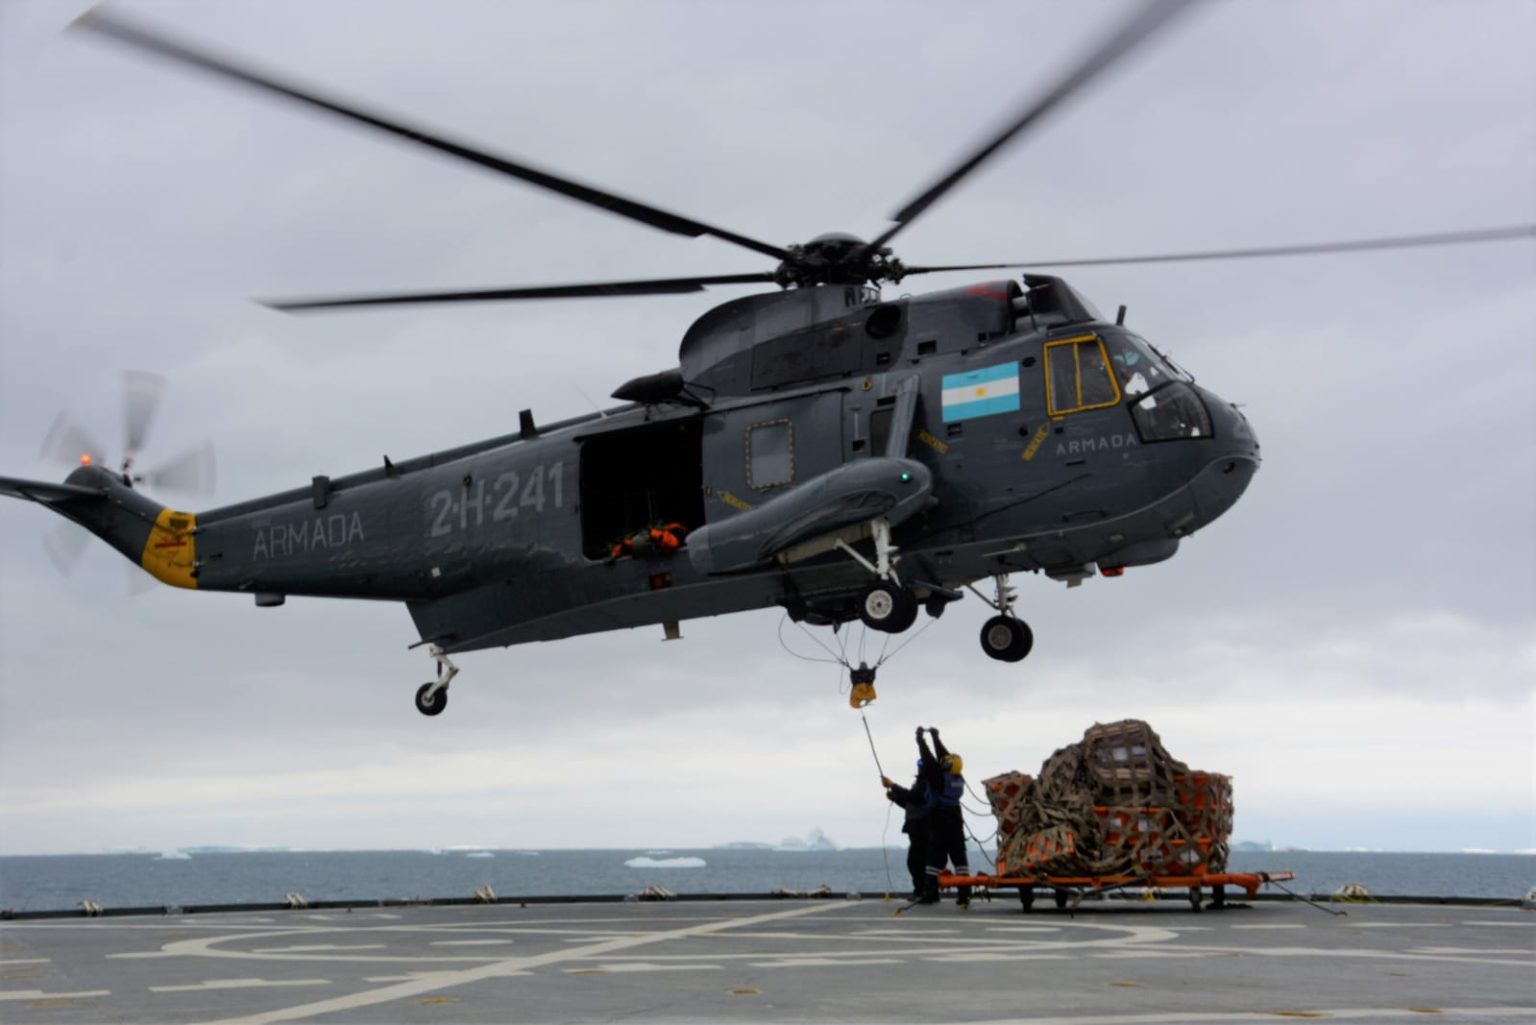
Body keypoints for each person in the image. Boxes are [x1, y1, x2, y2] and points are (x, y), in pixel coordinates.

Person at [916, 726, 971, 908]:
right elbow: (944, 758)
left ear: (947, 766)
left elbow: (929, 761)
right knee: (959, 859)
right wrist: (936, 738)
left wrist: (920, 741)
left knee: (933, 859)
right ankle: (964, 894)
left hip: (940, 818)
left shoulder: (939, 780)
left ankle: (929, 893)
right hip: (955, 818)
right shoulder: (958, 778)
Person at [880, 762, 930, 899]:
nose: (919, 767)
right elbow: (910, 803)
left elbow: (913, 796)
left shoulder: (926, 783)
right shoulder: (920, 784)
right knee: (918, 861)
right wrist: (896, 799)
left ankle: (922, 891)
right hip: (916, 826)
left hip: (922, 826)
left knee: (916, 862)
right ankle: (924, 891)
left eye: (921, 764)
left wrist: (892, 785)